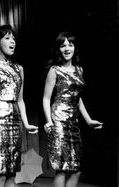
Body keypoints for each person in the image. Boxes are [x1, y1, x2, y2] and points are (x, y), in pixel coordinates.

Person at [0, 24, 38, 187]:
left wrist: (26, 123)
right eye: (7, 38)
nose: (13, 41)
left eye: (14, 38)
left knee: (12, 173)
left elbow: (20, 100)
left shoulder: (19, 68)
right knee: (0, 173)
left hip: (15, 120)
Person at [42, 31, 103, 187]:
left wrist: (88, 120)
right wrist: (49, 121)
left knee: (75, 169)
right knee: (62, 168)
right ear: (58, 49)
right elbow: (46, 98)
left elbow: (77, 98)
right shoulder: (54, 70)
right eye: (63, 45)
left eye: (70, 44)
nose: (67, 48)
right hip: (59, 121)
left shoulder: (79, 70)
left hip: (73, 123)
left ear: (75, 47)